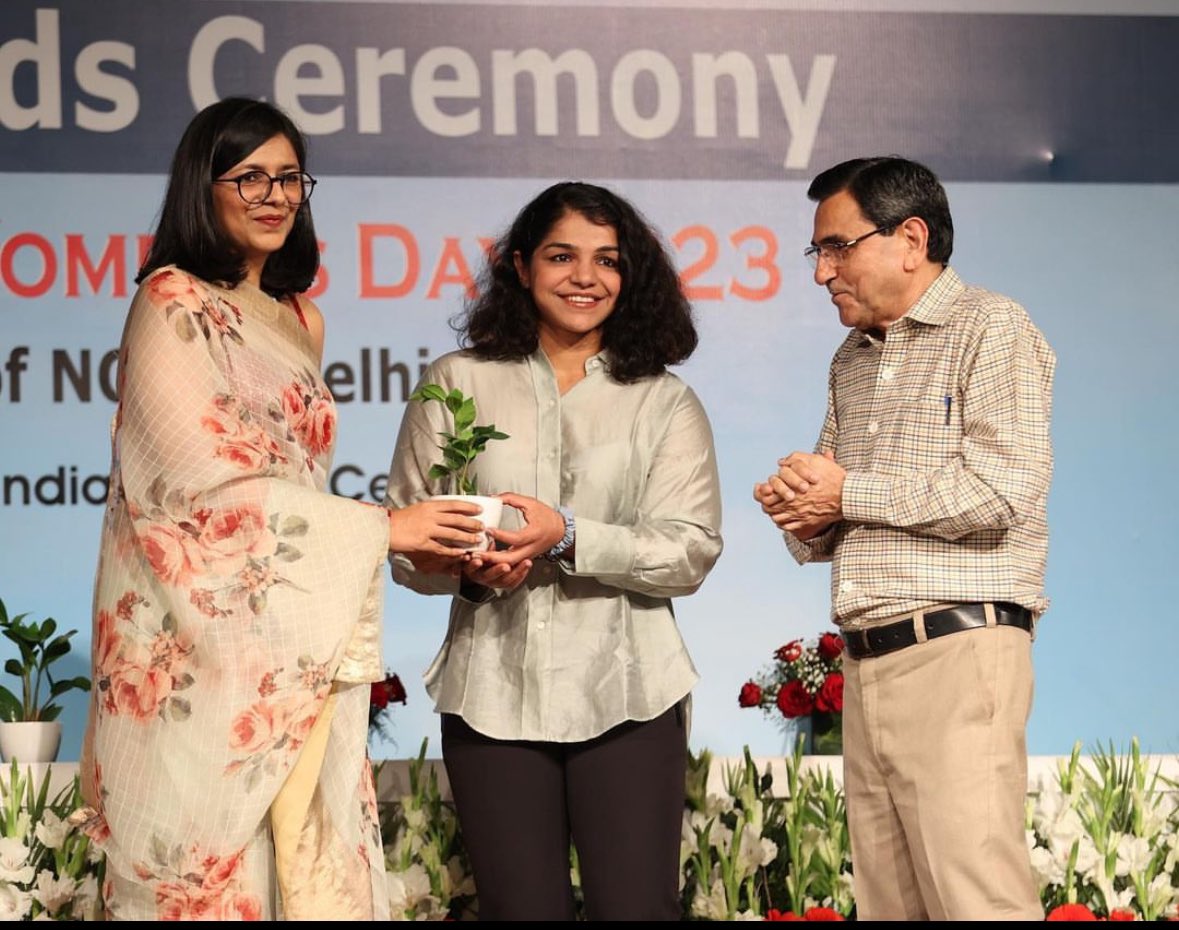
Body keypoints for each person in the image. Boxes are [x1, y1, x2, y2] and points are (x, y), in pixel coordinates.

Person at [73, 97, 484, 920]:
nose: (273, 195)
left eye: (289, 176)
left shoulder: (302, 317)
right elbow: (190, 491)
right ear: (205, 186)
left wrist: (385, 542)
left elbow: (294, 477)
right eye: (249, 176)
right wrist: (378, 526)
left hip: (282, 632)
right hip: (195, 644)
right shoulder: (172, 301)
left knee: (301, 870)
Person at [384, 181, 723, 921]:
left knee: (635, 910)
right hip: (492, 691)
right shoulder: (455, 382)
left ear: (629, 277)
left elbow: (689, 551)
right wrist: (470, 572)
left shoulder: (663, 400)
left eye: (607, 260)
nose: (584, 277)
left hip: (628, 690)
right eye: (561, 256)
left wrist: (566, 537)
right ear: (518, 266)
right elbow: (408, 549)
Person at [754, 156, 1055, 920]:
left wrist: (844, 491)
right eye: (816, 253)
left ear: (909, 238)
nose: (822, 272)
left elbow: (1001, 490)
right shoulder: (850, 360)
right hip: (867, 660)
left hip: (958, 652)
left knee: (975, 899)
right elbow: (844, 507)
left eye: (836, 247)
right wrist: (804, 508)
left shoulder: (992, 326)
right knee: (892, 906)